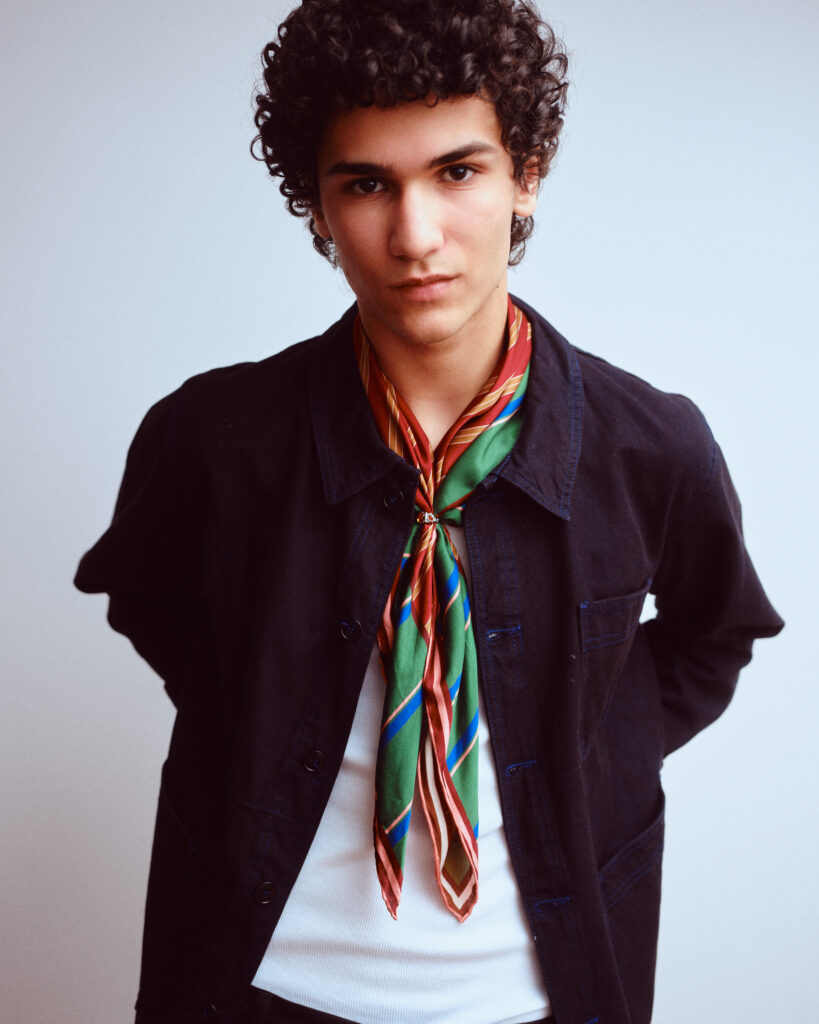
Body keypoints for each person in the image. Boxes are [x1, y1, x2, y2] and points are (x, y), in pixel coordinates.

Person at [74, 2, 784, 1022]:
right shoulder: (214, 438)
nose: (414, 236)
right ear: (317, 202)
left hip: (537, 993)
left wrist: (596, 742)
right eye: (366, 184)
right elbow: (148, 597)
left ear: (526, 173)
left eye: (457, 172)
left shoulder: (649, 445)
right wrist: (265, 716)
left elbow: (717, 632)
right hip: (256, 983)